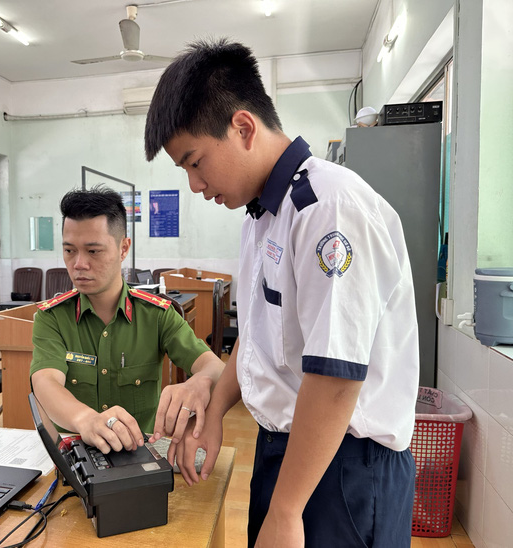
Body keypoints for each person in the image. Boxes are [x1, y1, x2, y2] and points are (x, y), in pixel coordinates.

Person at [144, 39, 419, 548]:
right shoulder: (262, 215)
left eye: (195, 162)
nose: (194, 185)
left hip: (342, 470)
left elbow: (334, 377)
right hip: (292, 453)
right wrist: (217, 406)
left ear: (243, 127)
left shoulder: (328, 208)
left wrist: (288, 508)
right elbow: (258, 338)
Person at [30, 186, 224, 455]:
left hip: (140, 455)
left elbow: (213, 367)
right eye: (69, 250)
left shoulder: (156, 315)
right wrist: (85, 419)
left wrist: (198, 383)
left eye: (93, 251)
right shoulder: (52, 318)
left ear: (124, 248)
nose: (78, 264)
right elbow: (45, 383)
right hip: (76, 456)